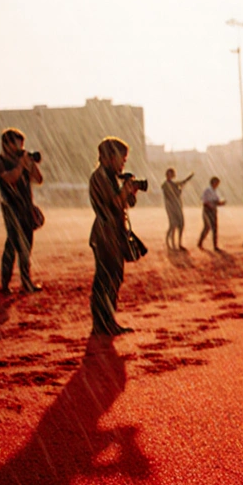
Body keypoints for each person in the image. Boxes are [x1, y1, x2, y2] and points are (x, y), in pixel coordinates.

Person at [89, 137, 141, 336]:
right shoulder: (100, 177)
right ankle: (103, 324)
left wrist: (130, 192)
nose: (123, 163)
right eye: (122, 159)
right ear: (110, 157)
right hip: (104, 234)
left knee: (114, 278)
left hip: (113, 234)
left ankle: (107, 322)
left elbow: (126, 204)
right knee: (105, 279)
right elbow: (113, 204)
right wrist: (125, 190)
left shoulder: (109, 177)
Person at [0, 128, 43, 295]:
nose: (20, 148)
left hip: (26, 207)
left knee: (25, 244)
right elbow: (10, 179)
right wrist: (21, 165)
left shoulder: (21, 160)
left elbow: (39, 180)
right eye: (16, 144)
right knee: (15, 243)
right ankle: (10, 283)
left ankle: (22, 282)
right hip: (11, 207)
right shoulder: (0, 161)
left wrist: (31, 164)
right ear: (6, 144)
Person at [163, 168, 194, 251]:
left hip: (177, 206)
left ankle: (179, 243)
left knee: (180, 224)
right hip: (171, 207)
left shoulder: (173, 184)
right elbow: (172, 194)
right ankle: (172, 244)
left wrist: (188, 179)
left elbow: (182, 183)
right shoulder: (165, 185)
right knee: (173, 225)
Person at [197, 177, 226, 250]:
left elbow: (216, 201)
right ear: (213, 183)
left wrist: (220, 203)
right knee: (208, 227)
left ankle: (214, 245)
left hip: (213, 211)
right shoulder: (207, 191)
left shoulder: (214, 191)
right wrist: (216, 203)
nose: (217, 185)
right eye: (216, 183)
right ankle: (202, 243)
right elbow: (205, 202)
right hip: (207, 211)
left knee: (211, 227)